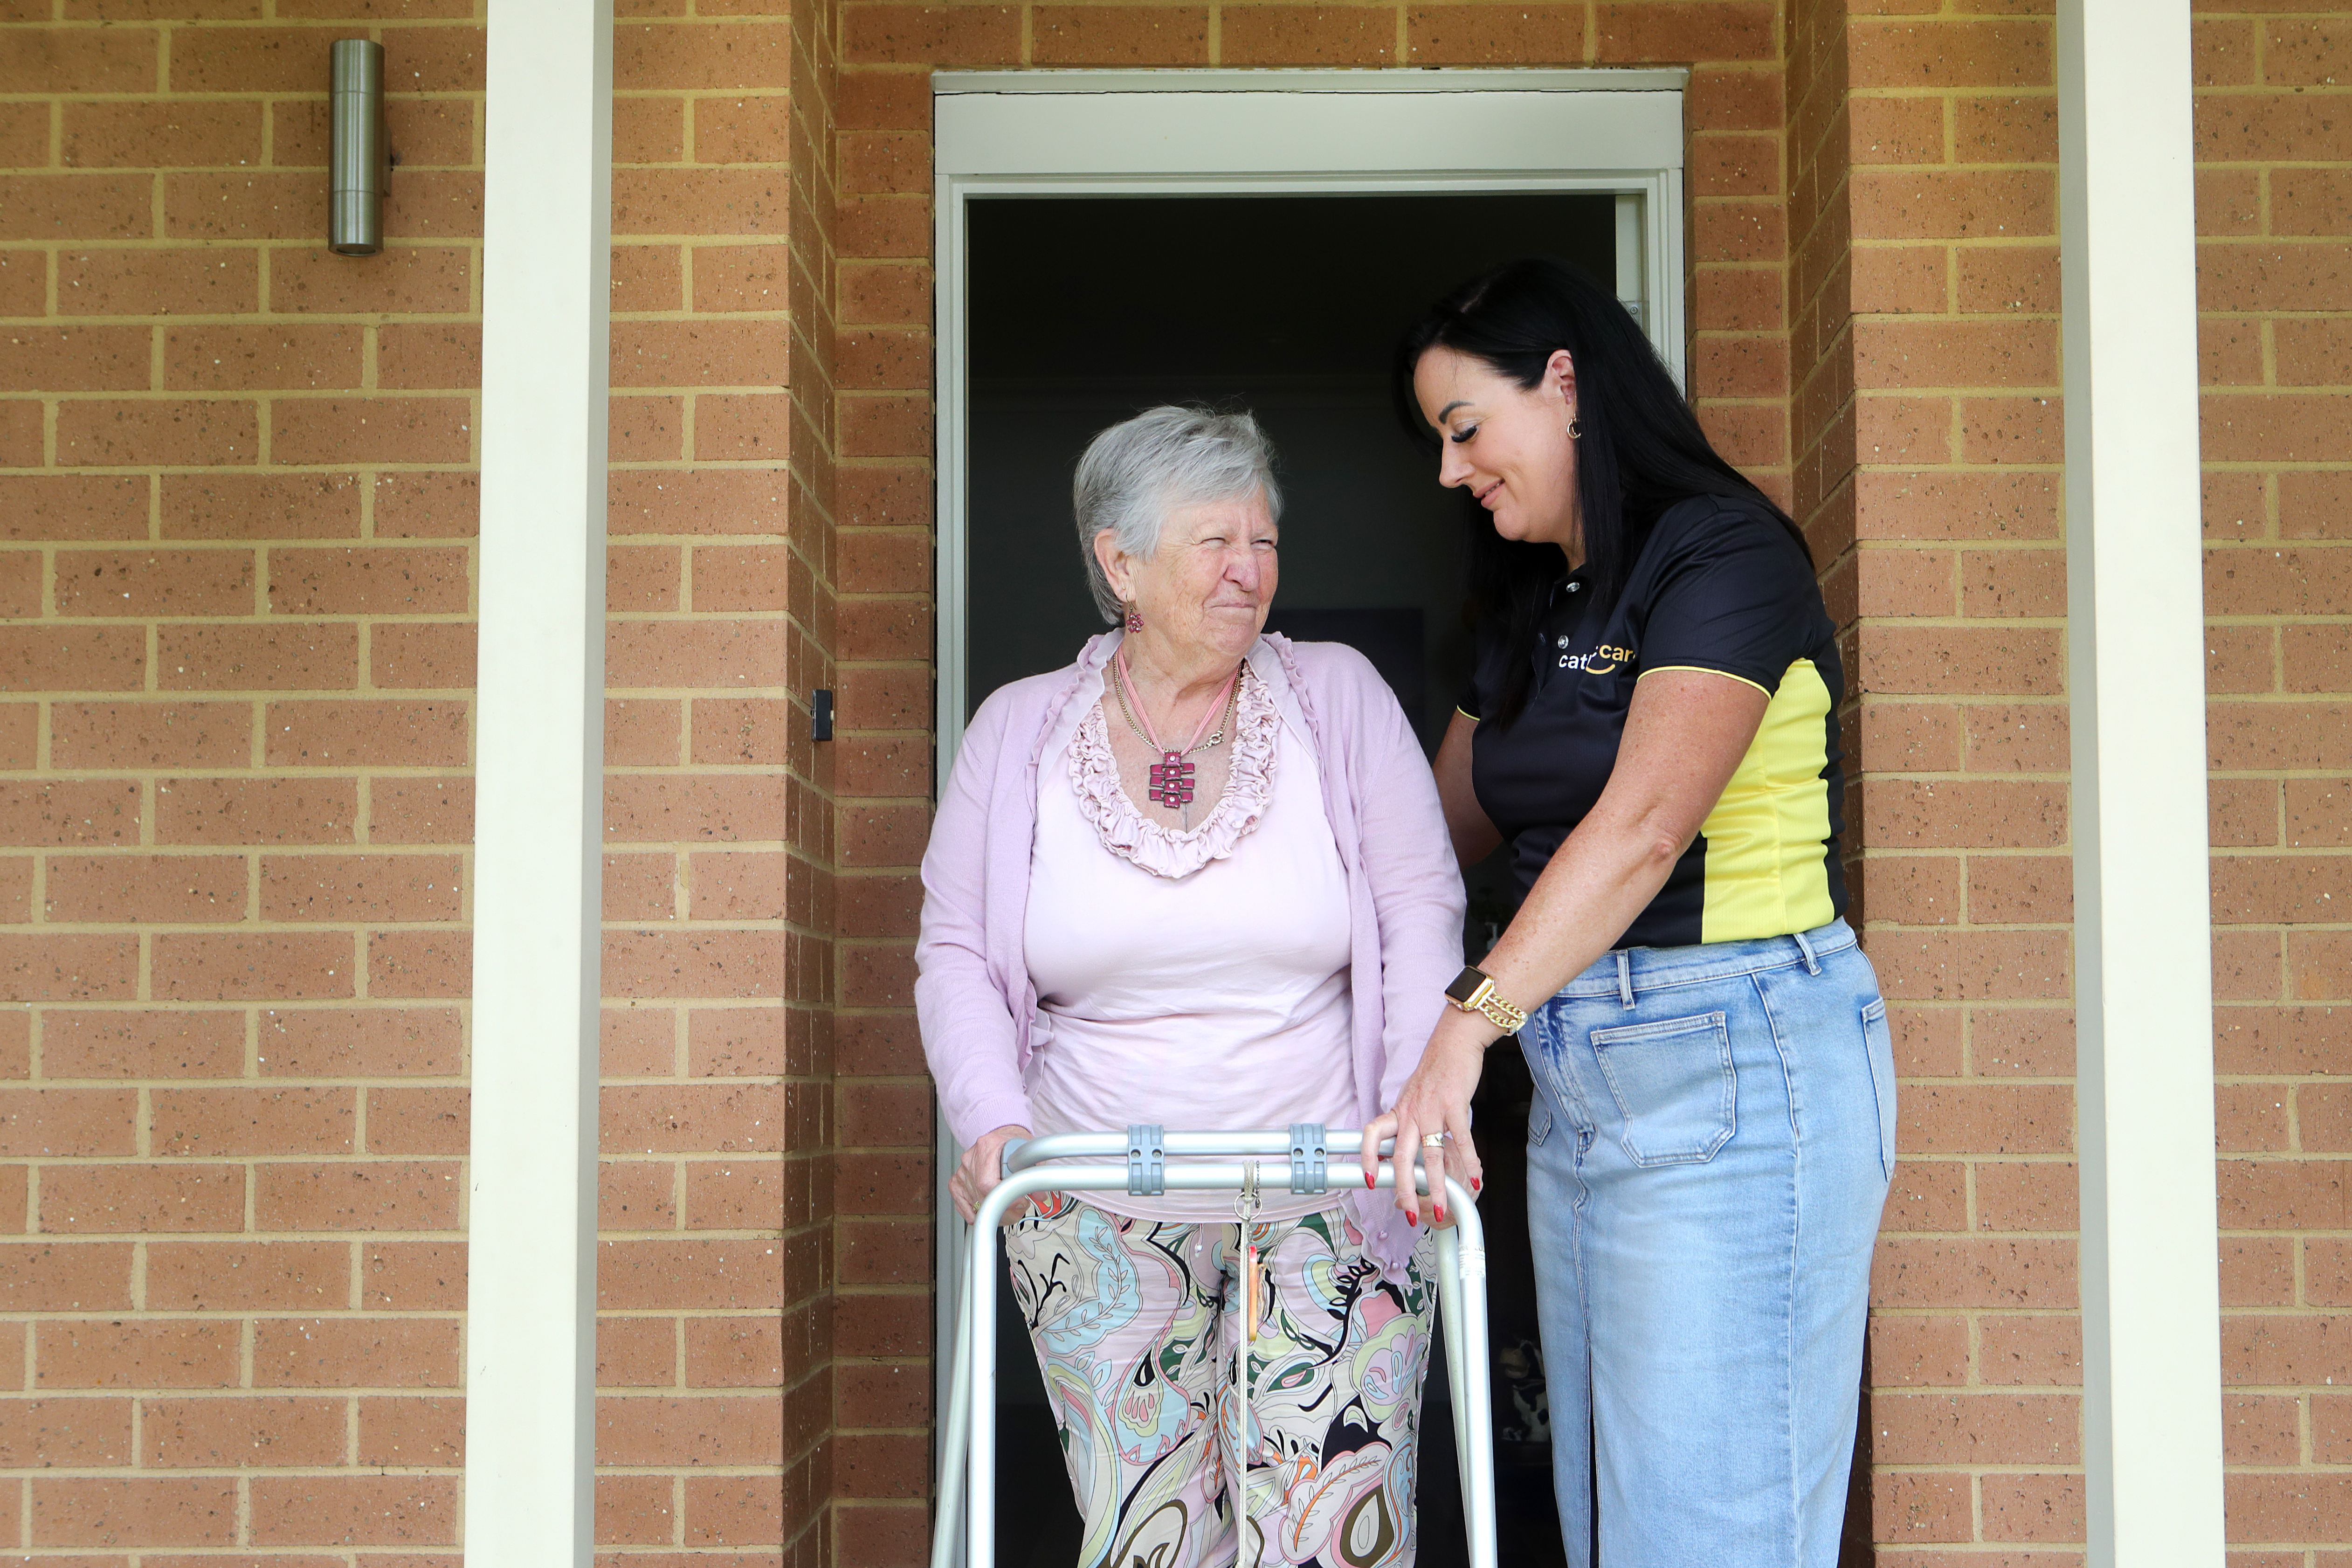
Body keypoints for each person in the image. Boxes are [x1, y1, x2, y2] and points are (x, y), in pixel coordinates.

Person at [1365, 258, 1895, 1568]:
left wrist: (1465, 1019)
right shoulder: (1533, 600)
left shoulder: (1719, 549)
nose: (1449, 473)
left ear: (1561, 382)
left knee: (1710, 1533)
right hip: (1579, 1080)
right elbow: (1422, 837)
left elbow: (1643, 829)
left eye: (1461, 429)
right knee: (1609, 1526)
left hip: (1735, 1055)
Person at [917, 405, 1467, 1568]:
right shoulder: (1019, 729)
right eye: (1215, 542)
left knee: (1330, 1537)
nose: (1250, 570)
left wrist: (1415, 1100)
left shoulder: (1339, 697)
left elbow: (1422, 904)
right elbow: (957, 948)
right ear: (1119, 561)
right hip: (1097, 1202)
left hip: (1331, 1188)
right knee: (1153, 1540)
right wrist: (994, 1124)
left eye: (1264, 541)